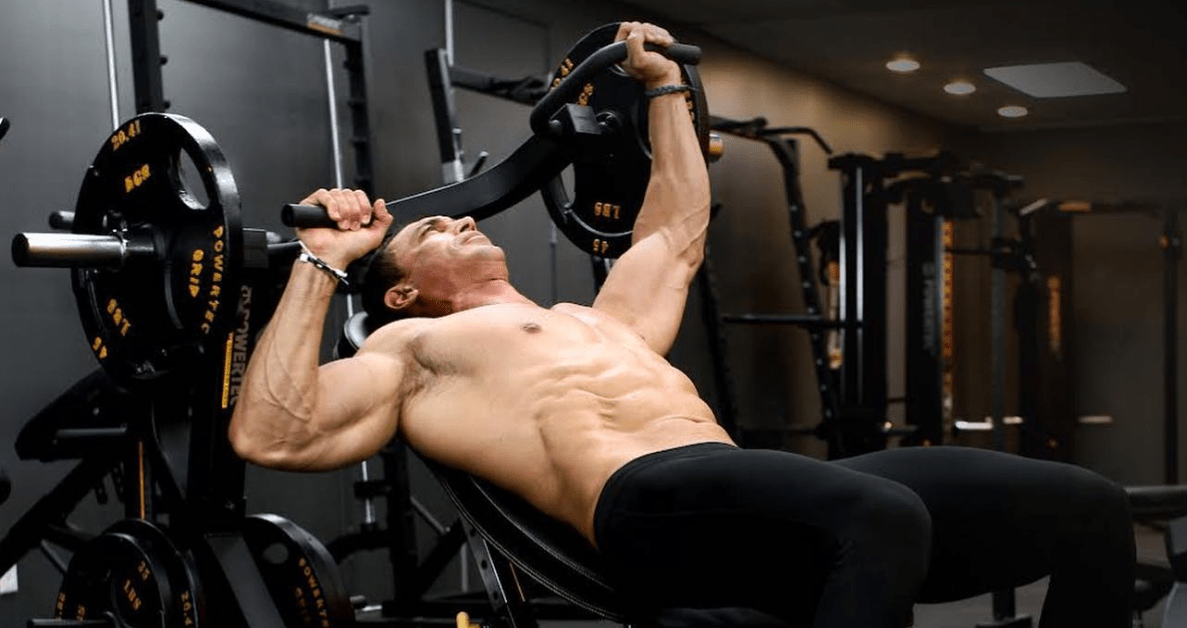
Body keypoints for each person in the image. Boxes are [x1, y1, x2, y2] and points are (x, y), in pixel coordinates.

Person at [229, 22, 1134, 628]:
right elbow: (272, 430)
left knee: (1088, 508)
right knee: (880, 510)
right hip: (648, 513)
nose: (464, 218)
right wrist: (326, 257)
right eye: (436, 228)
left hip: (743, 493)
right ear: (397, 292)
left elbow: (672, 230)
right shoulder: (408, 350)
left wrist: (663, 89)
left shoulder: (598, 321)